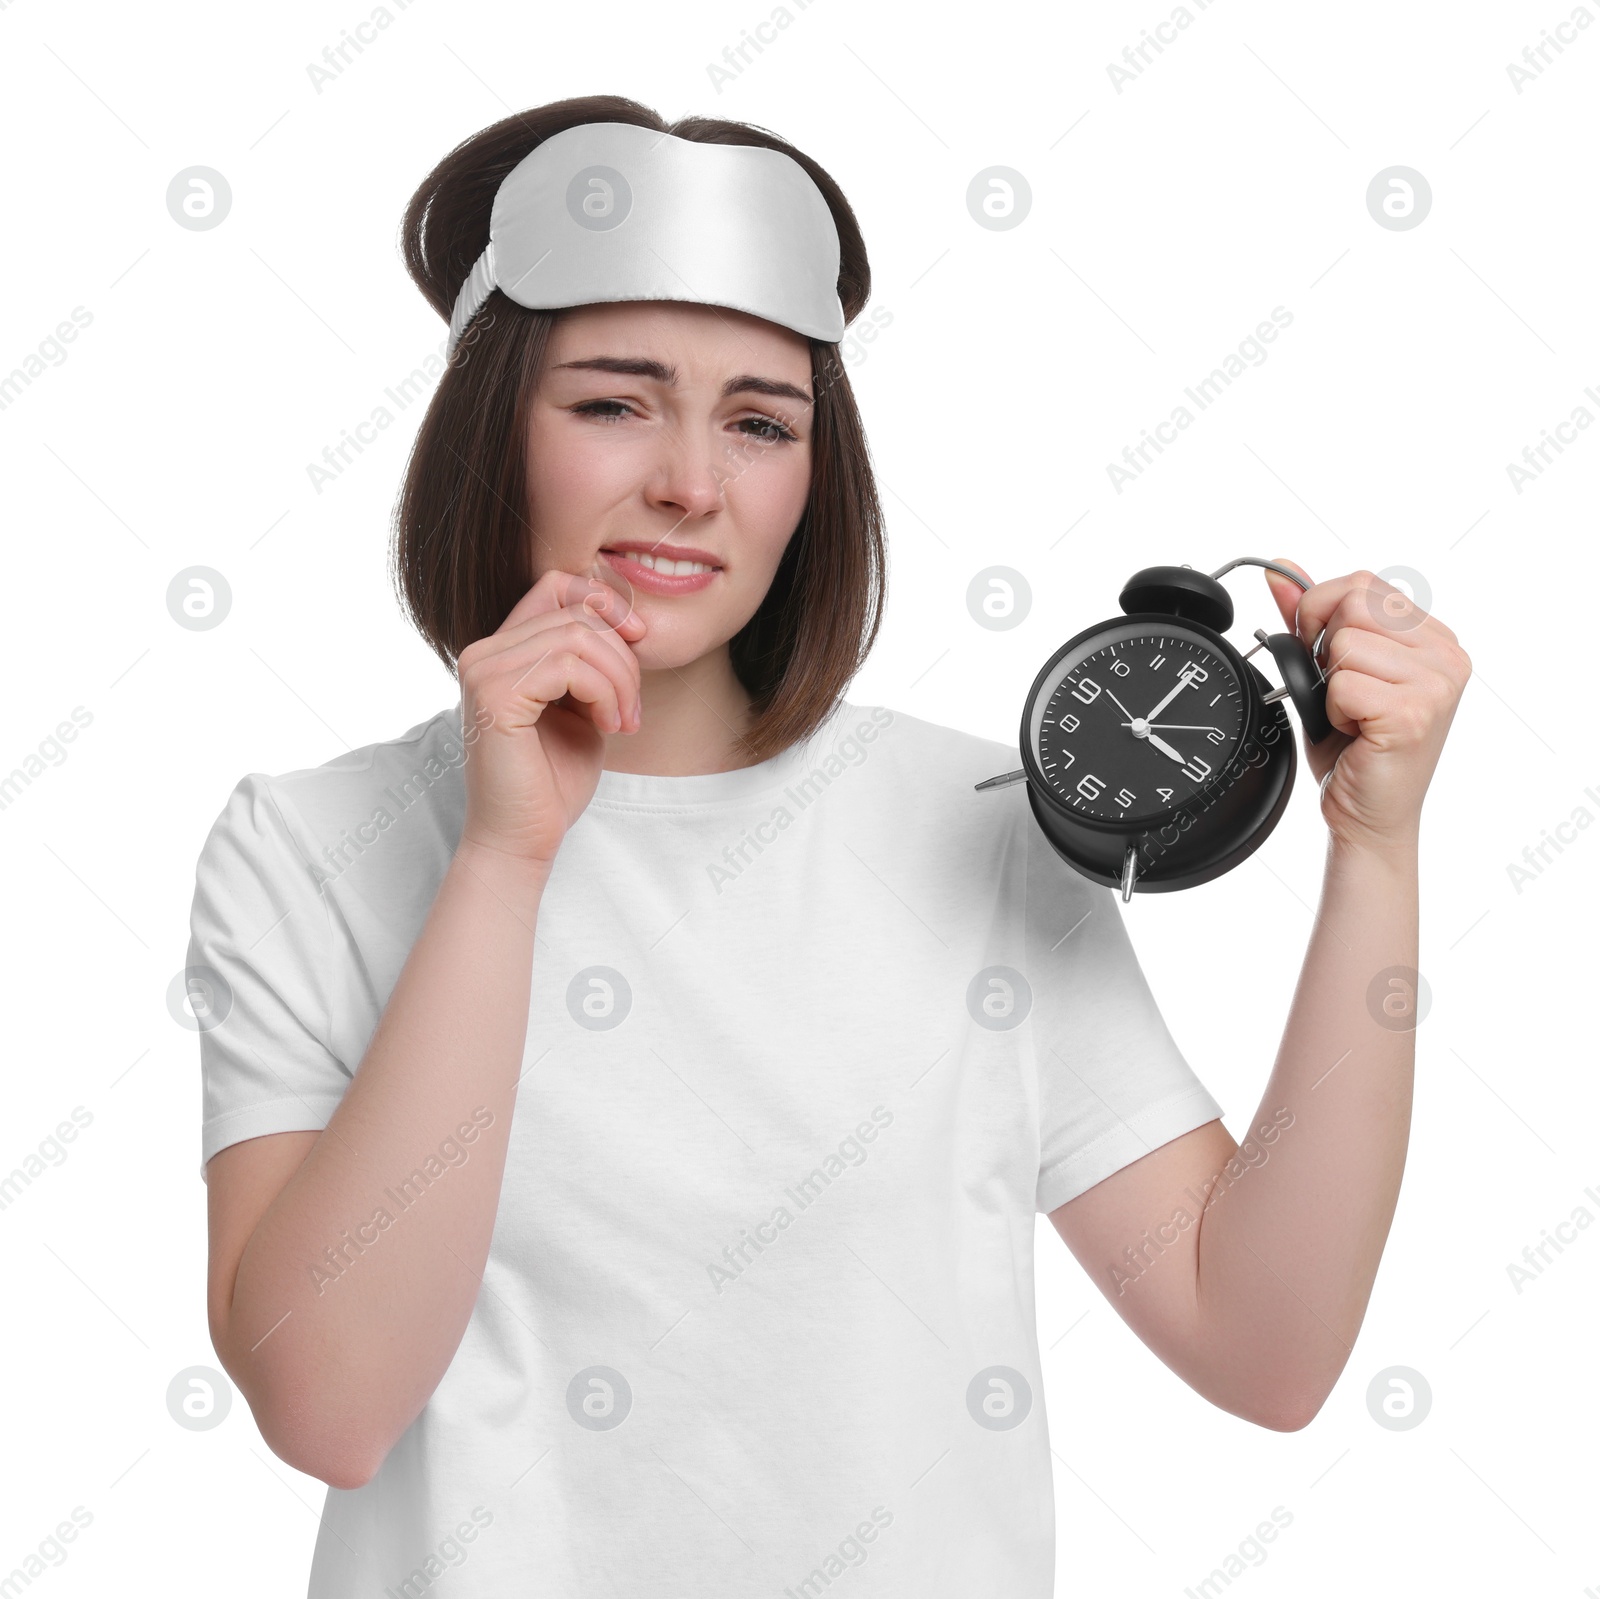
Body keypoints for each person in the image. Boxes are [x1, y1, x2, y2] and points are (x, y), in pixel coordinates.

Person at [188, 95, 1469, 1598]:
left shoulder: (974, 832)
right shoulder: (309, 847)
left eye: (759, 422)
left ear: (815, 472)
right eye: (611, 401)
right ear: (494, 431)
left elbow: (1266, 1348)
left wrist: (1376, 852)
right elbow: (328, 1409)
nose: (690, 482)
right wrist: (501, 862)